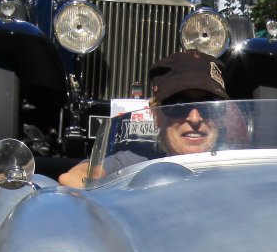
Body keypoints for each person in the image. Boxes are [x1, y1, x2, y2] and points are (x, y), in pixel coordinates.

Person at [57, 49, 228, 186]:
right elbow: (72, 178)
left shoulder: (238, 164)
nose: (195, 118)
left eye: (208, 105)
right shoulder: (138, 163)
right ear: (156, 114)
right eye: (178, 105)